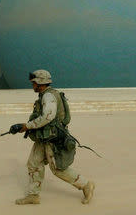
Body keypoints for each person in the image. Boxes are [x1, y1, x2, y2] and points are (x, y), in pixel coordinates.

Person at [13, 69, 95, 205]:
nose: (32, 85)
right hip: (43, 137)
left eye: (34, 83)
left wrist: (26, 126)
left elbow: (47, 117)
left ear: (40, 82)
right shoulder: (45, 95)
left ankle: (86, 185)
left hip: (53, 138)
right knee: (33, 163)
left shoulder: (49, 97)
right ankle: (33, 195)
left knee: (58, 169)